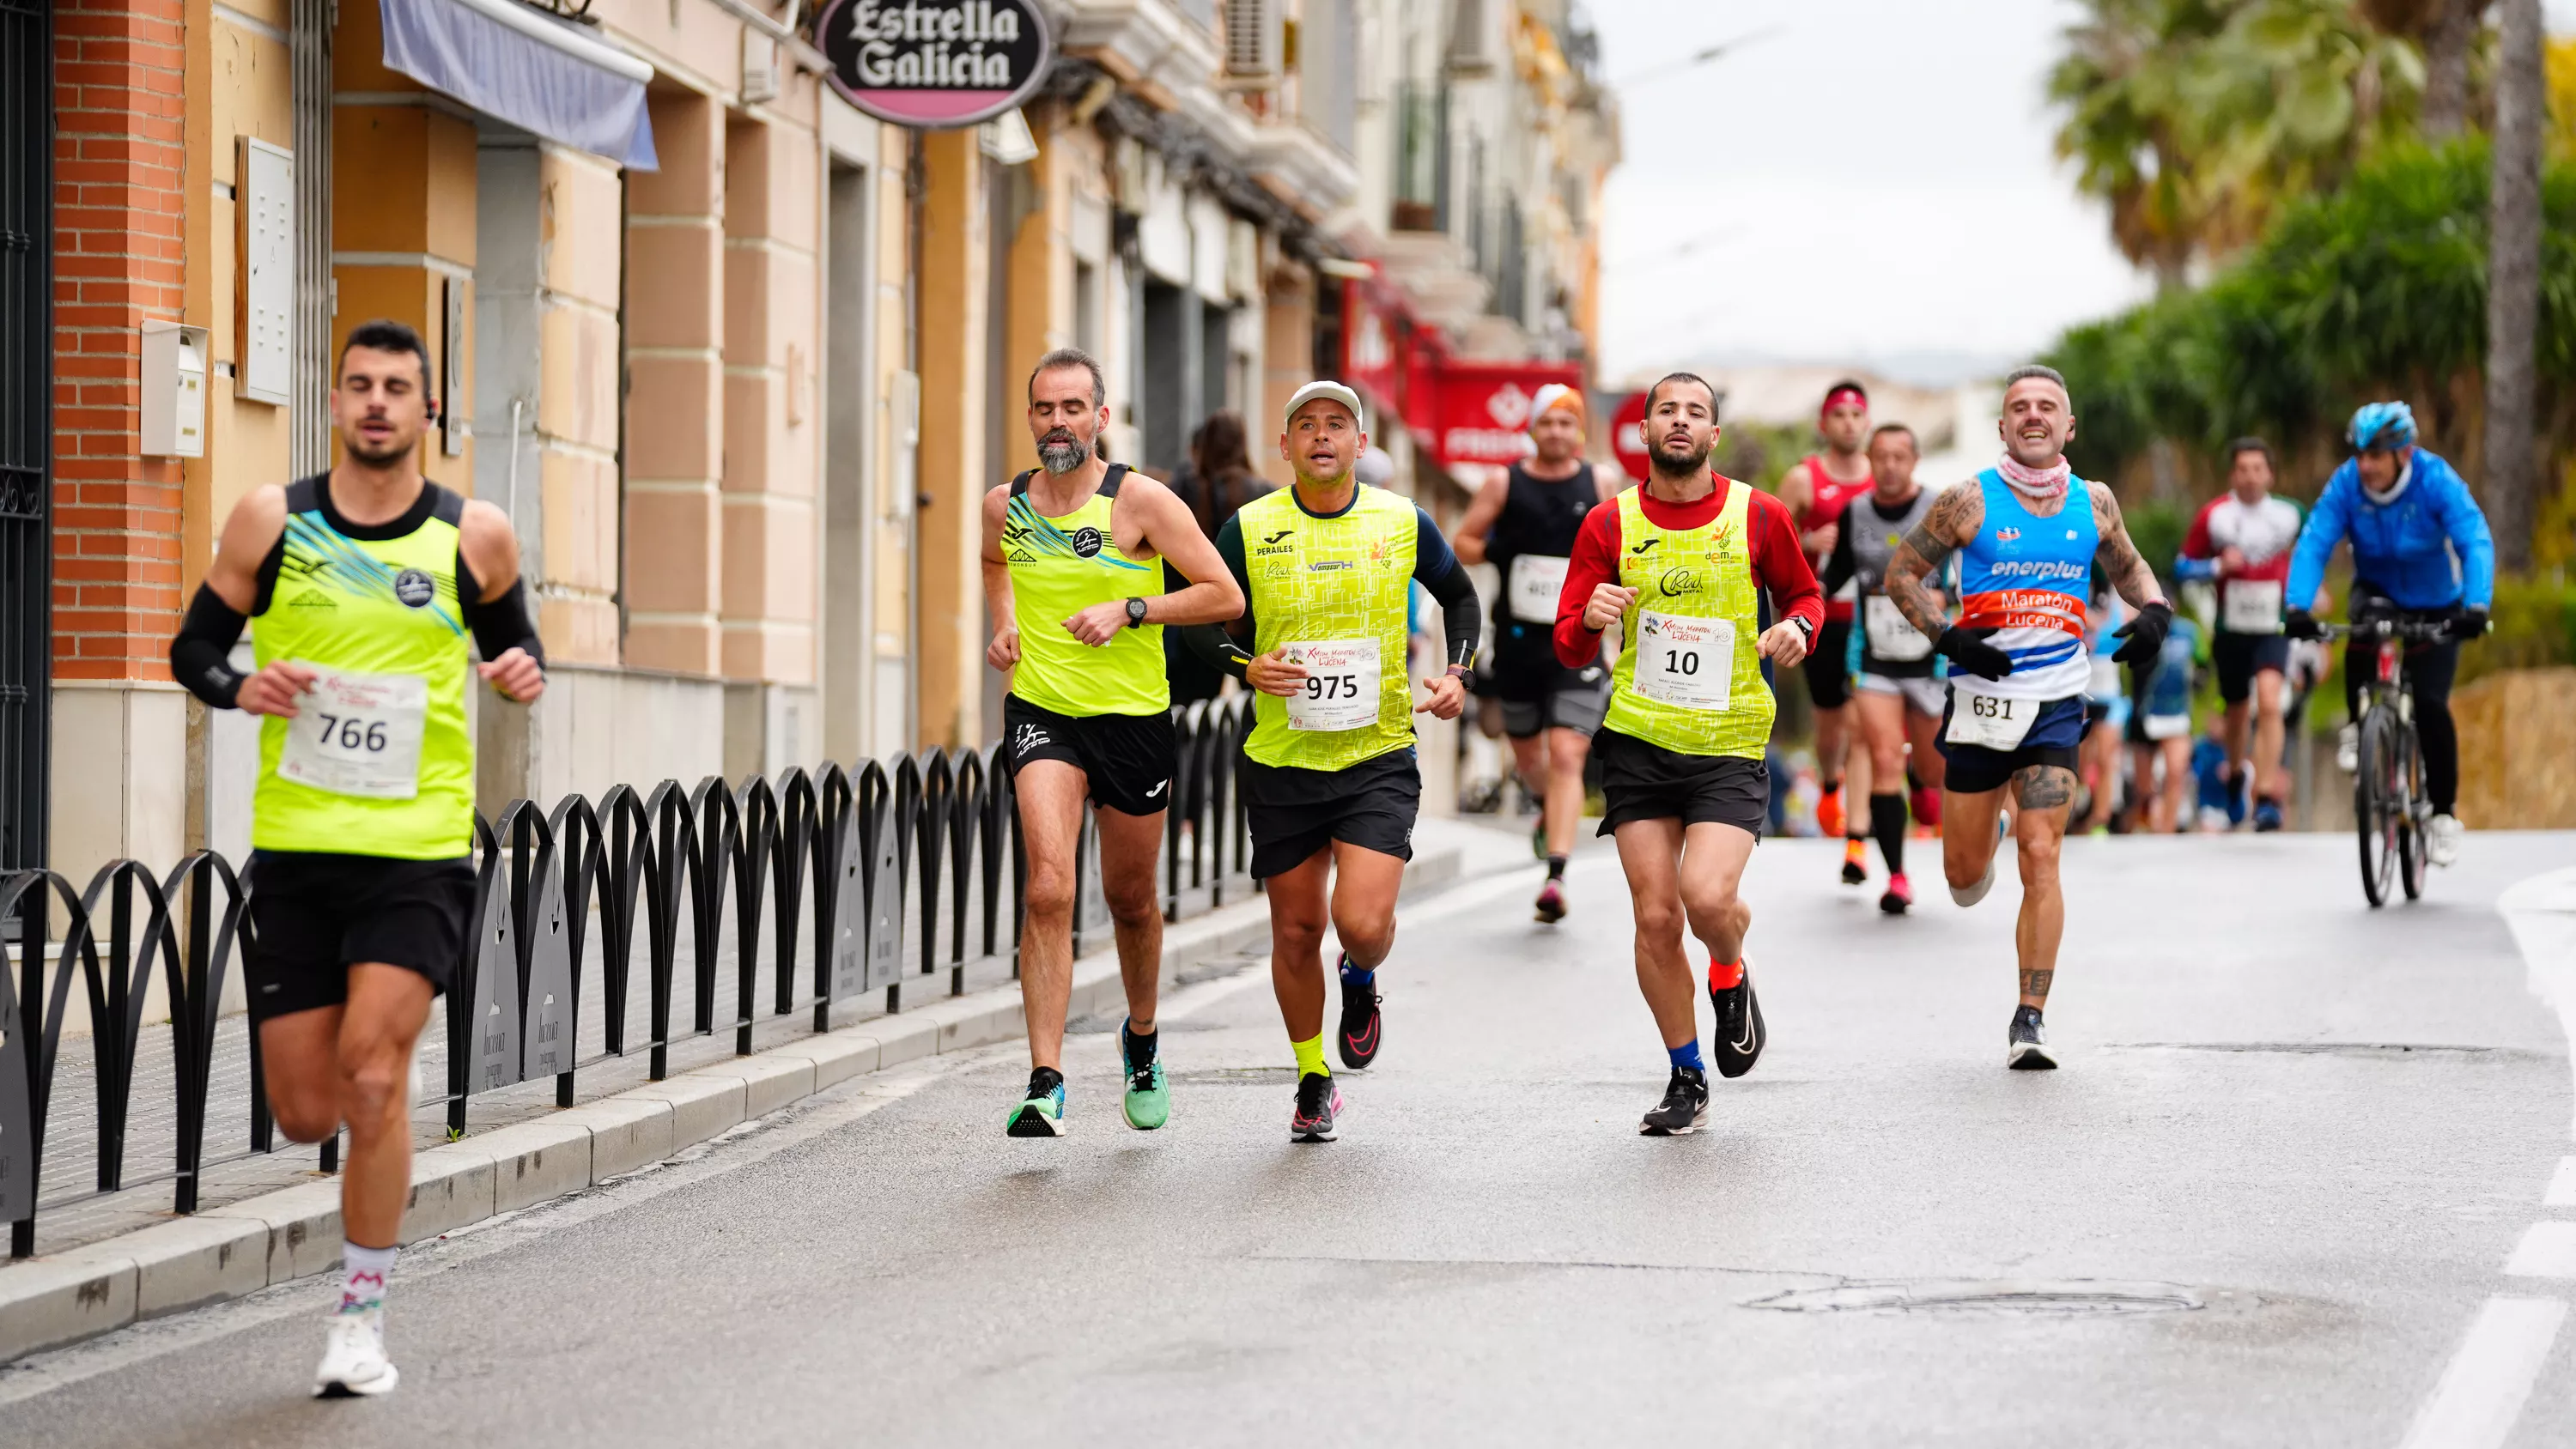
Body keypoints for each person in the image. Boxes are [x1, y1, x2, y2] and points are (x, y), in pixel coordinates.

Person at [166, 319, 546, 1397]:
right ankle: (377, 1067)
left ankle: (359, 1318)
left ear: (429, 411)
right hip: (296, 848)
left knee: (373, 1081)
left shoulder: (473, 534)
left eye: (398, 388)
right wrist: (243, 685)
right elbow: (193, 647)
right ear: (334, 403)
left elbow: (517, 643)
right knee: (306, 1110)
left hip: (419, 851)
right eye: (360, 385)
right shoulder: (272, 522)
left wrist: (518, 671)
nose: (378, 402)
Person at [1186, 381, 1479, 1142]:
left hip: (1376, 753)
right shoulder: (1247, 528)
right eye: (1306, 426)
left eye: (1337, 425)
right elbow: (1196, 624)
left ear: (1359, 445)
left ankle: (1361, 976)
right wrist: (1242, 664)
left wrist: (1458, 674)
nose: (1322, 437)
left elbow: (1461, 597)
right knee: (1294, 931)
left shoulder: (1401, 519)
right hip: (1282, 760)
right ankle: (1312, 1077)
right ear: (1283, 447)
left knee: (1361, 923)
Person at [981, 349, 1245, 1138]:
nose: (1056, 422)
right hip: (1044, 711)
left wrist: (1134, 609)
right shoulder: (1005, 505)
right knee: (1048, 888)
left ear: (1101, 416)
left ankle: (1141, 1039)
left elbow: (1222, 595)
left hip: (1132, 719)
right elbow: (996, 563)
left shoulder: (1143, 502)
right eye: (1042, 409)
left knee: (1130, 898)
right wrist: (1006, 623)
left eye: (1072, 408)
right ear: (1029, 418)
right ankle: (1046, 1080)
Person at [1552, 373, 1823, 1135]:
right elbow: (1568, 642)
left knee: (1707, 899)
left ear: (1712, 435)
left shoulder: (1758, 515)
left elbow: (1807, 597)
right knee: (1655, 916)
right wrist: (1590, 616)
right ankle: (1685, 1074)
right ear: (1643, 431)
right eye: (1665, 410)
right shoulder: (1608, 525)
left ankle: (1730, 973)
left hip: (1730, 741)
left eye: (1695, 412)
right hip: (1639, 739)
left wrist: (1798, 630)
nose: (1680, 421)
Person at [1881, 365, 2171, 1070]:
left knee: (2042, 855)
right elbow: (1900, 575)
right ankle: (1991, 825)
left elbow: (2130, 568)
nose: (2034, 416)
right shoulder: (1966, 501)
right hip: (1979, 706)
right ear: (2004, 425)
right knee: (1963, 877)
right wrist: (1947, 637)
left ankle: (2030, 1019)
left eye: (2048, 407)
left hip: (2056, 703)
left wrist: (2157, 612)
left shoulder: (2094, 503)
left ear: (2069, 427)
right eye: (2020, 408)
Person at [2285, 401, 2494, 867]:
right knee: (2363, 629)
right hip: (2377, 589)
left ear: (2405, 453)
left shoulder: (2435, 479)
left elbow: (2473, 537)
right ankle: (2359, 729)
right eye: (2360, 455)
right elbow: (2316, 539)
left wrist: (2476, 605)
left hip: (2438, 601)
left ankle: (2442, 814)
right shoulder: (2346, 484)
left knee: (2431, 703)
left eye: (2376, 455)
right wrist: (2297, 605)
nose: (2366, 465)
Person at [1453, 382, 1619, 924]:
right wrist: (1506, 549)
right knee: (1529, 759)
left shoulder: (1600, 481)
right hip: (1521, 646)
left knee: (1569, 754)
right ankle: (1551, 810)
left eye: (1566, 423)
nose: (1556, 432)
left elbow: (1624, 549)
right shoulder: (1505, 481)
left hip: (1581, 643)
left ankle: (1556, 875)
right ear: (1532, 429)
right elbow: (1464, 544)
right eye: (1547, 422)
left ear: (1580, 432)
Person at [1818, 422, 1946, 914]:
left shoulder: (1938, 510)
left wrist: (1945, 598)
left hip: (1930, 656)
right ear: (1870, 462)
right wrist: (1805, 606)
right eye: (1881, 457)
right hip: (1873, 655)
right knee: (1885, 757)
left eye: (1900, 457)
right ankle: (1896, 876)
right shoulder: (1857, 512)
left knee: (1933, 767)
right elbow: (1836, 575)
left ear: (1914, 461)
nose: (1890, 466)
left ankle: (1927, 781)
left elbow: (1965, 573)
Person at [1773, 380, 1877, 884]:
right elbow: (1766, 539)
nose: (1849, 424)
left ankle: (1857, 839)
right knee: (1831, 725)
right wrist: (1810, 539)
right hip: (1822, 620)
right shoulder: (1804, 479)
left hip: (1873, 622)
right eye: (1839, 416)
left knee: (1863, 726)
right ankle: (1831, 784)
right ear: (1824, 424)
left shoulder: (1884, 476)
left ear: (1868, 423)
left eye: (1858, 416)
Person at [2176, 438, 2302, 832]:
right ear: (2233, 474)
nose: (2250, 477)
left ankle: (2265, 798)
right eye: (2242, 469)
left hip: (2272, 624)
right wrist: (2216, 567)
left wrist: (2306, 590)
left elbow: (2314, 551)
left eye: (2257, 469)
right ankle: (2234, 774)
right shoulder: (2215, 516)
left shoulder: (2289, 514)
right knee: (2236, 711)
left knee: (2269, 702)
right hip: (2231, 627)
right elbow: (2181, 567)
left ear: (2270, 474)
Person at [1163, 411, 1272, 706]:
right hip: (1253, 621)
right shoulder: (1263, 494)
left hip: (1195, 620)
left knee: (1190, 711)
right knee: (1262, 706)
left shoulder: (1183, 489)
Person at [2125, 598, 2201, 834]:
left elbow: (2204, 664)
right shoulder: (2139, 632)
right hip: (2146, 713)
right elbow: (2133, 676)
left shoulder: (2190, 633)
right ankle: (2144, 820)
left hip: (2176, 713)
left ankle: (2166, 833)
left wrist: (2200, 677)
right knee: (2143, 788)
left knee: (2175, 773)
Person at [2075, 584, 2132, 834]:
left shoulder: (2121, 604)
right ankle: (2079, 803)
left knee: (2107, 759)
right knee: (2079, 759)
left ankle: (2101, 819)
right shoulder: (2077, 594)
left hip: (2110, 696)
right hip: (2083, 693)